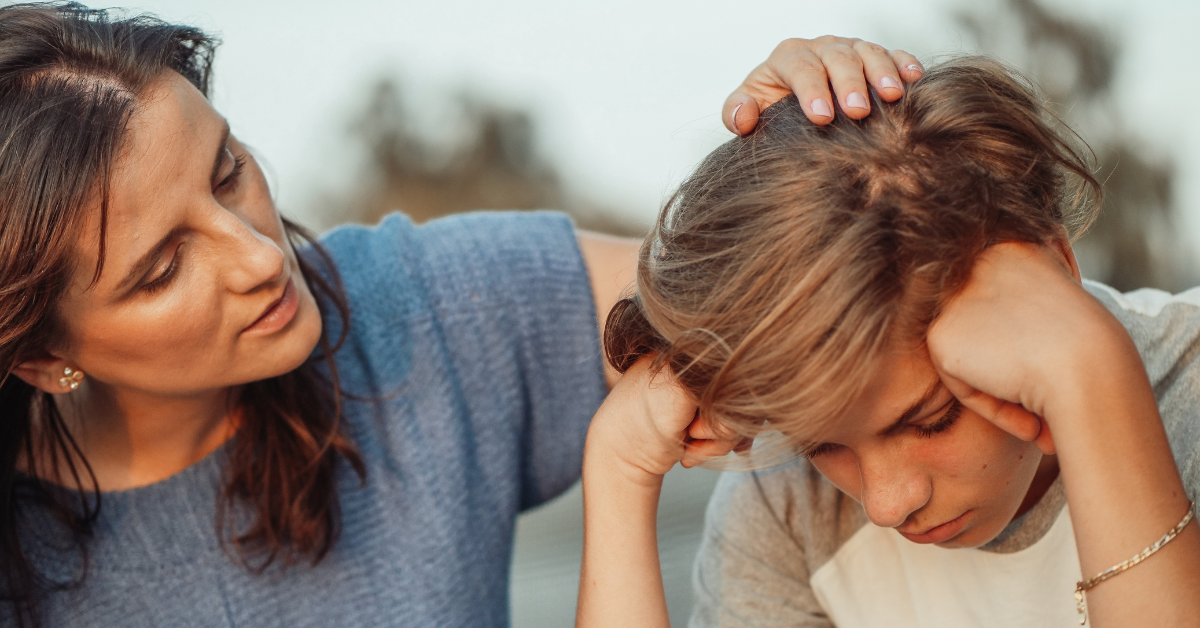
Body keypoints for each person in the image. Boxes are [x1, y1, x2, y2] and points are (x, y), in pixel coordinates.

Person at [0, 1, 923, 626]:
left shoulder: (430, 304)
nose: (259, 255)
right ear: (42, 355)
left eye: (227, 170)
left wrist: (830, 152)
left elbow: (789, 287)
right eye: (162, 268)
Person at [576, 56, 1200, 628]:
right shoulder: (788, 513)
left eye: (932, 420)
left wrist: (1091, 376)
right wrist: (618, 471)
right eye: (820, 444)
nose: (886, 503)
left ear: (1057, 272)